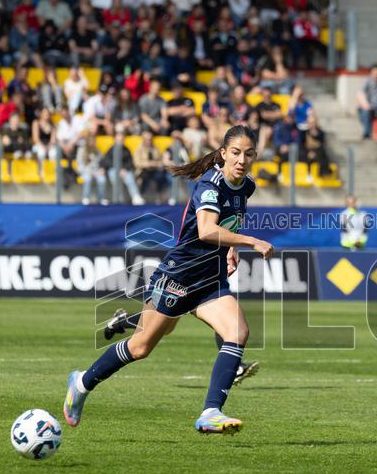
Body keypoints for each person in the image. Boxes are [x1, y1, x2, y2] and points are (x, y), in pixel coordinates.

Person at [63, 126, 274, 434]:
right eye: (237, 153)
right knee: (140, 348)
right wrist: (250, 242)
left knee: (238, 331)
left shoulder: (246, 186)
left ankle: (211, 412)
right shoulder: (210, 185)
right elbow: (205, 230)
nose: (242, 159)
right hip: (180, 277)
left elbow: (227, 221)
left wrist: (230, 248)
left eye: (249, 154)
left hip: (211, 280)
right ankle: (81, 383)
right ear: (224, 153)